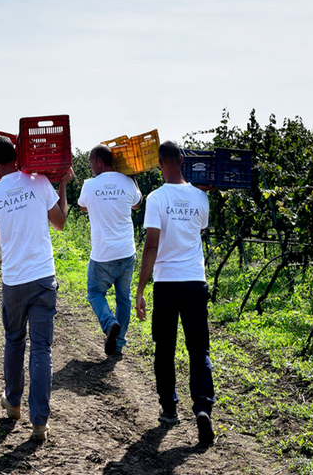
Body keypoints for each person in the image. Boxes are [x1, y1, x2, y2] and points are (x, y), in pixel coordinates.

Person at [0, 135, 74, 442]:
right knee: (41, 349)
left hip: (14, 279)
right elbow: (60, 223)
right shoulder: (38, 181)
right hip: (42, 277)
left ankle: (13, 402)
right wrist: (61, 184)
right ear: (18, 156)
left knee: (13, 341)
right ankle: (39, 422)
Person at [134, 140, 216, 446]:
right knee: (199, 349)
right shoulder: (200, 196)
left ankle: (169, 408)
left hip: (166, 284)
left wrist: (141, 288)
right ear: (183, 160)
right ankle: (203, 408)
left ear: (159, 164)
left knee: (165, 348)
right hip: (195, 282)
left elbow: (152, 246)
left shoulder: (156, 198)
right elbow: (200, 230)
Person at [77, 144, 142, 357]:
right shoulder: (127, 181)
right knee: (124, 298)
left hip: (103, 254)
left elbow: (83, 206)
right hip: (126, 252)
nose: (89, 165)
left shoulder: (89, 185)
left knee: (95, 292)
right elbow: (137, 204)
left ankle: (109, 323)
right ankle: (119, 343)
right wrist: (132, 176)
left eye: (90, 161)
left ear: (99, 162)